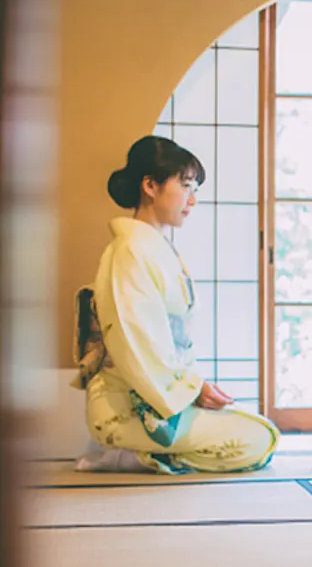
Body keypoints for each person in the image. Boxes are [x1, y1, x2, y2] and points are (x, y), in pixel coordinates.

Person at [74, 136, 278, 474]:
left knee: (261, 431)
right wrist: (193, 389)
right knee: (256, 440)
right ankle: (130, 453)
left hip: (159, 395)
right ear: (150, 186)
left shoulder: (150, 248)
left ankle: (142, 452)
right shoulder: (130, 251)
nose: (192, 200)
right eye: (185, 186)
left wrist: (191, 387)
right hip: (126, 405)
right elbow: (137, 342)